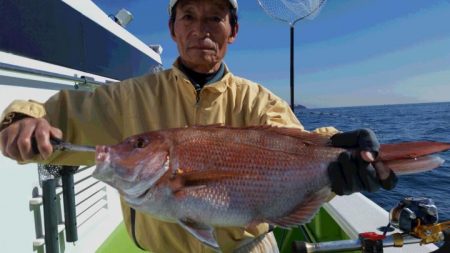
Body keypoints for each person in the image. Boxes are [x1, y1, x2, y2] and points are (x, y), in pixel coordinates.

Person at [0, 0, 397, 252]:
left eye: (215, 17)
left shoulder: (259, 101)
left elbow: (302, 151)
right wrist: (23, 117)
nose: (201, 28)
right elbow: (60, 113)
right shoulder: (126, 97)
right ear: (172, 28)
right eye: (188, 15)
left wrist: (339, 160)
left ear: (233, 30)